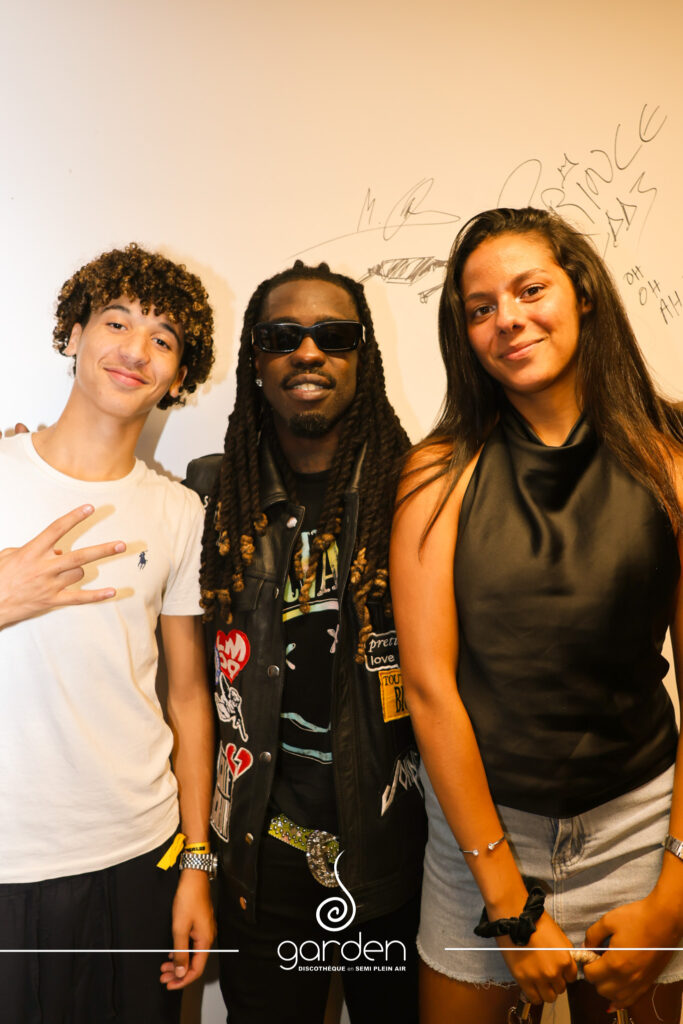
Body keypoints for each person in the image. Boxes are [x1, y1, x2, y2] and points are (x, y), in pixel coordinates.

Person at [390, 207, 683, 1024]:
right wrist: (508, 904)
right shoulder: (436, 474)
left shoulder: (669, 457)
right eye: (479, 308)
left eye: (529, 290)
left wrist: (674, 894)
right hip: (481, 837)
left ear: (581, 292)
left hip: (643, 831)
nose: (507, 319)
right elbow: (428, 690)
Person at [183, 260, 426, 1023]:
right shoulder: (208, 494)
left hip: (400, 860)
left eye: (334, 335)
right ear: (255, 361)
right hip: (260, 868)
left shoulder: (417, 491)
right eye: (282, 336)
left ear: (363, 356)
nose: (308, 352)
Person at [0, 244, 217, 1024]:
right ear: (73, 335)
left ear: (178, 376)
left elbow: (188, 699)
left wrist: (196, 863)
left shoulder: (179, 512)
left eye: (163, 338)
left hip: (140, 851)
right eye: (117, 322)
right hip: (12, 858)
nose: (136, 349)